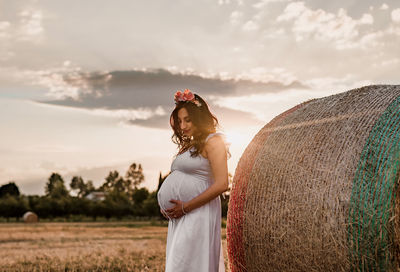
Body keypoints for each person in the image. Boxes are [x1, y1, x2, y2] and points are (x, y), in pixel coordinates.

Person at [157, 89, 230, 272]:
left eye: (188, 120)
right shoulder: (191, 144)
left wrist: (186, 206)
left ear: (199, 117)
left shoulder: (214, 142)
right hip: (182, 214)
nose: (183, 126)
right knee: (180, 263)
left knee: (191, 263)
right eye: (180, 121)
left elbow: (222, 184)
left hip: (198, 211)